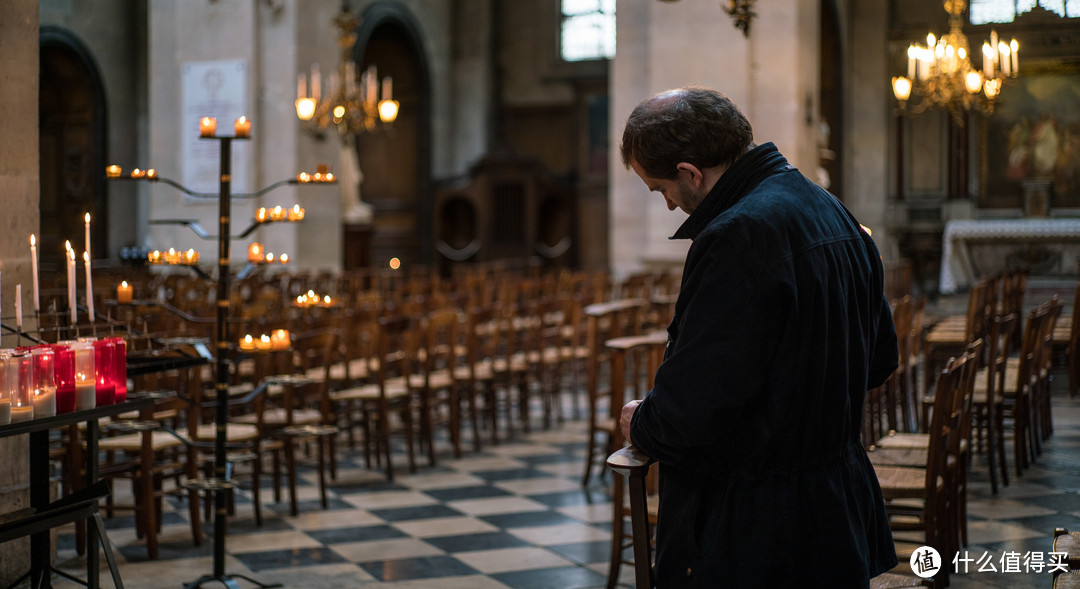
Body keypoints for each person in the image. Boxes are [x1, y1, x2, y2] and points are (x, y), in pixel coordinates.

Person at [618, 87, 898, 587]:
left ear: (690, 172)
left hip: (758, 529)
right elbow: (879, 359)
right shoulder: (829, 206)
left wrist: (643, 423)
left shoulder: (737, 235)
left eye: (661, 189)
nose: (667, 206)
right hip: (835, 506)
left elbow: (692, 409)